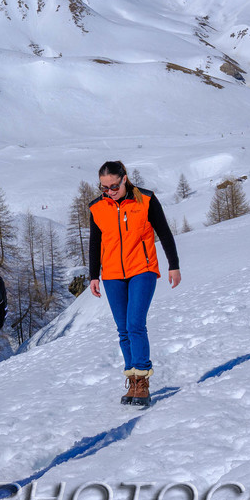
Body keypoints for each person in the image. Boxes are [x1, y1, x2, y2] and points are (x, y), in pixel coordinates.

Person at [87, 161, 181, 406]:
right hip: (112, 275)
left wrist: (173, 265)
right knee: (123, 329)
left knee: (135, 324)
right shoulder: (97, 207)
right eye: (105, 187)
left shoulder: (146, 200)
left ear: (125, 179)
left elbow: (164, 233)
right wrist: (93, 276)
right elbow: (95, 243)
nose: (110, 191)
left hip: (143, 269)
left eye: (114, 185)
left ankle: (142, 381)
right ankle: (132, 379)